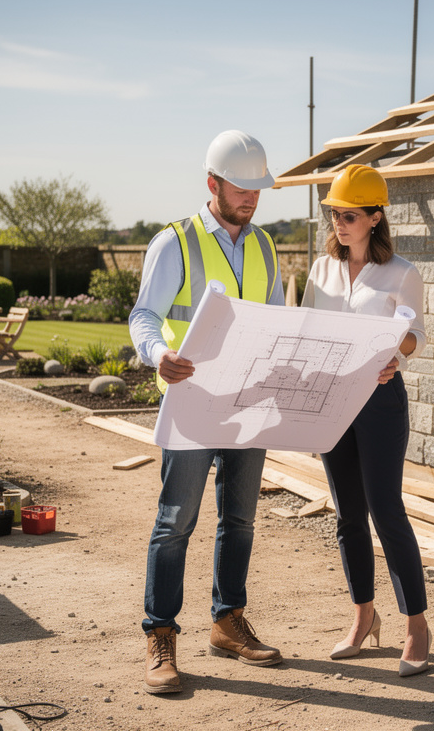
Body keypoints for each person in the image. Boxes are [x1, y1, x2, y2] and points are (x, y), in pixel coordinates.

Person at [129, 130, 286, 694]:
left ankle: (227, 621)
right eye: (242, 187)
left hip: (249, 406)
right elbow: (144, 315)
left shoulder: (266, 247)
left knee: (239, 520)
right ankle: (160, 635)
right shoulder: (174, 243)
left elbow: (275, 324)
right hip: (192, 401)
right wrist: (158, 355)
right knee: (176, 522)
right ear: (213, 183)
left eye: (258, 189)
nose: (251, 198)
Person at [301, 164, 431, 676]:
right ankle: (363, 616)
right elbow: (308, 327)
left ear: (376, 217)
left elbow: (417, 335)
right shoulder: (321, 270)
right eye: (334, 213)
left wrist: (394, 351)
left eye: (350, 215)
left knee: (386, 509)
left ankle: (416, 625)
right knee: (347, 514)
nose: (340, 222)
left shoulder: (402, 272)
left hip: (379, 401)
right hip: (333, 401)